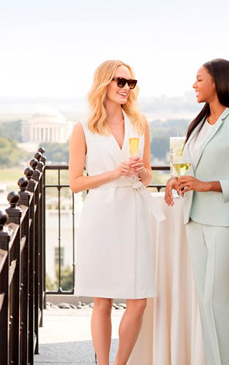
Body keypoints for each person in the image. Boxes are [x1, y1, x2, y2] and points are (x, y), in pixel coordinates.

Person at [164, 58, 229, 364]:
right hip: (194, 220)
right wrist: (175, 179)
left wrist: (208, 186)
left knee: (216, 301)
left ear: (217, 83)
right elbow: (191, 167)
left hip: (223, 222)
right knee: (205, 305)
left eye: (199, 79)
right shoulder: (198, 125)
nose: (194, 85)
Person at [69, 60, 156, 365]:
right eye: (120, 81)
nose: (125, 88)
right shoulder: (83, 129)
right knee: (102, 300)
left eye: (130, 83)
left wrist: (140, 171)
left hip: (133, 212)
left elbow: (148, 177)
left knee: (139, 300)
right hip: (101, 215)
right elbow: (76, 183)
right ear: (104, 83)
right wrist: (113, 172)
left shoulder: (140, 123)